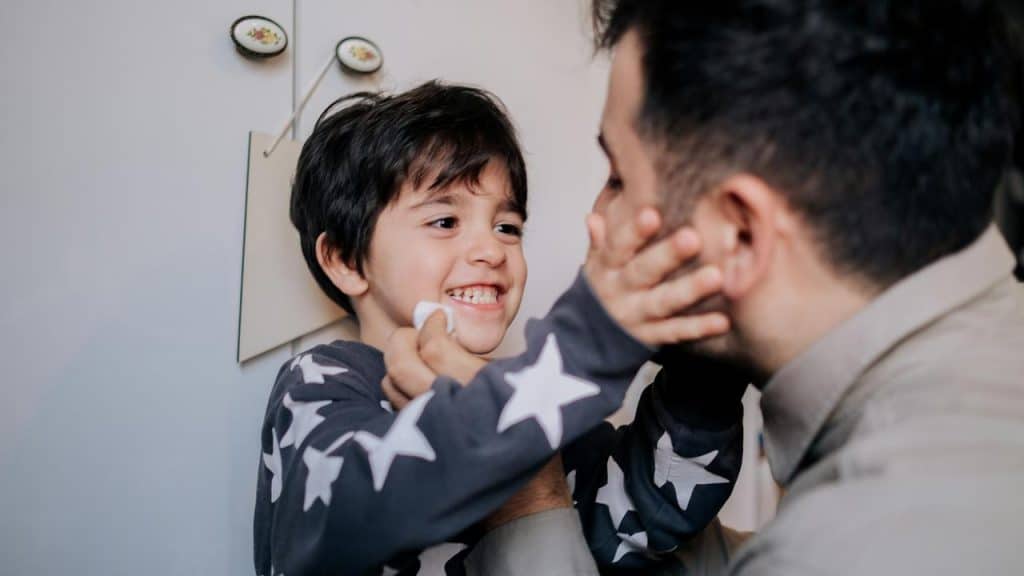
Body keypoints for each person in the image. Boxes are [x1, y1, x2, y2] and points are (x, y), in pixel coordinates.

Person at [385, 1, 1024, 574]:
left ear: (740, 234)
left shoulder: (847, 542)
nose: (596, 221)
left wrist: (521, 487)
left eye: (618, 179)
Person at [253, 81, 745, 576]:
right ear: (344, 260)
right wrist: (584, 349)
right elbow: (347, 510)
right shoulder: (323, 381)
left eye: (507, 227)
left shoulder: (535, 409)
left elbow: (646, 519)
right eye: (445, 221)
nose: (492, 250)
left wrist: (705, 369)